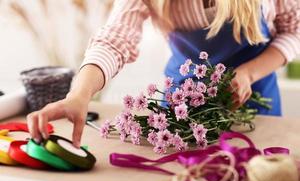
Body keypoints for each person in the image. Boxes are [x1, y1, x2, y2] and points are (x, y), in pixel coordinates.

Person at [27, 0, 300, 147]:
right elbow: (114, 40)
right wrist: (79, 94)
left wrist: (249, 74)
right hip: (183, 111)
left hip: (254, 107)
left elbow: (294, 29)